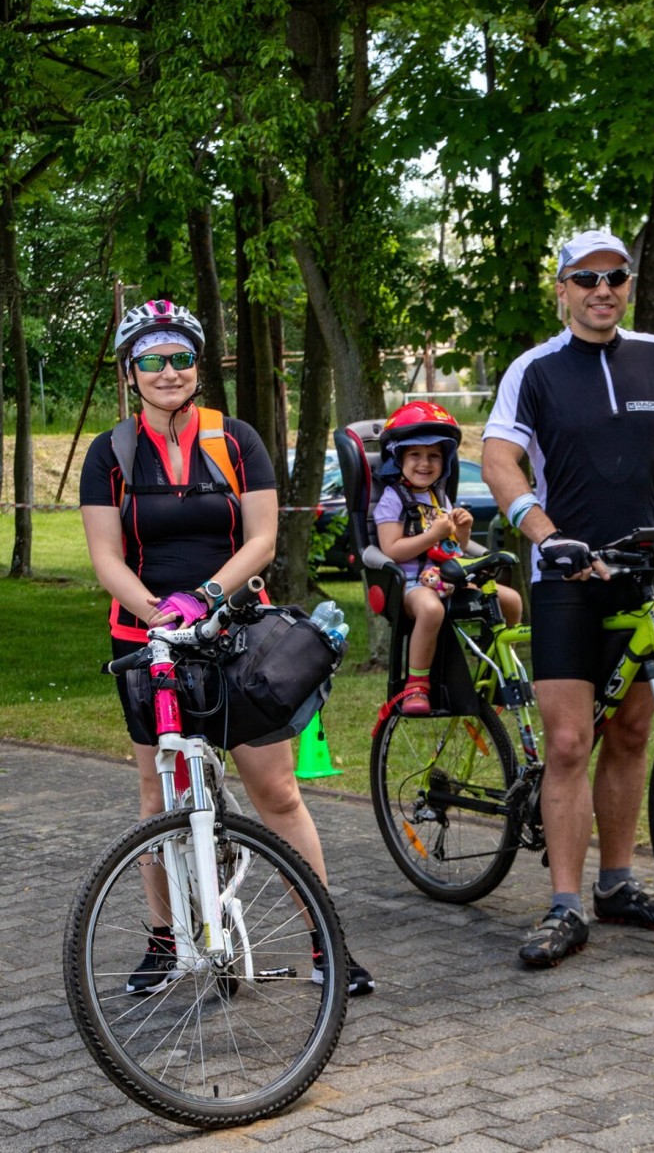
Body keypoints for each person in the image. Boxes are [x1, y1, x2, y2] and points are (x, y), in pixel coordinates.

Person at [79, 298, 374, 996]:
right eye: (151, 360)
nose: (168, 371)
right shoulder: (110, 452)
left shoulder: (236, 439)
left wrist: (207, 600)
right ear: (130, 372)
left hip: (238, 631)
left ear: (198, 366)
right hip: (147, 638)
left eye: (180, 357)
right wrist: (158, 614)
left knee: (276, 790)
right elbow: (105, 557)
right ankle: (163, 939)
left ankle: (325, 942)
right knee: (155, 796)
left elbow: (263, 539)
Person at [481, 231, 654, 967]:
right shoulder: (532, 370)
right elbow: (499, 459)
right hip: (566, 575)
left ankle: (616, 883)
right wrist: (542, 532)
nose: (602, 290)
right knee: (572, 741)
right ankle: (565, 906)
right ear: (563, 289)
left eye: (615, 277)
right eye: (586, 278)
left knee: (633, 733)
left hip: (640, 569)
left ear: (627, 285)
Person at [374, 401, 522, 715]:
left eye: (434, 456)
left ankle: (495, 673)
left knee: (511, 601)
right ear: (398, 457)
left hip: (448, 579)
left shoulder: (439, 496)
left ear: (445, 461)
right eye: (415, 454)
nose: (424, 463)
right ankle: (417, 685)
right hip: (411, 584)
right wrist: (432, 534)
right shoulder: (392, 499)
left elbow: (452, 547)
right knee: (430, 609)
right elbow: (391, 549)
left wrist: (463, 530)